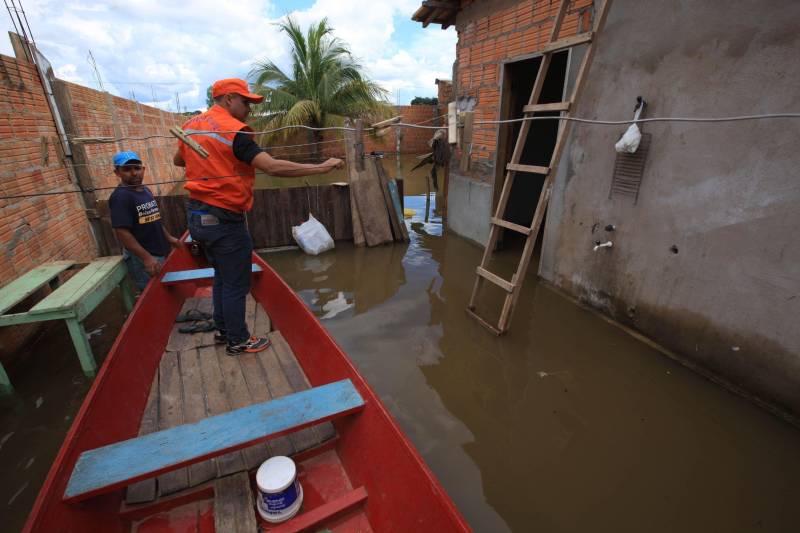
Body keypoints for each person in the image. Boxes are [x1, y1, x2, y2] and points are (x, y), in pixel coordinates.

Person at [173, 78, 343, 356]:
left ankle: (224, 331)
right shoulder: (234, 131)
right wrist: (321, 167)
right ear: (228, 99)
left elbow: (178, 161)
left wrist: (209, 160)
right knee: (237, 282)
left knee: (221, 277)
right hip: (224, 216)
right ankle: (238, 340)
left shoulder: (191, 126)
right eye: (245, 102)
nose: (250, 109)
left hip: (197, 214)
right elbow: (273, 167)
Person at [109, 151, 181, 291]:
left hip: (158, 252)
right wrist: (146, 257)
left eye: (137, 168)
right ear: (117, 172)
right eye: (127, 169)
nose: (134, 173)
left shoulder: (145, 190)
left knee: (165, 291)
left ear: (143, 169)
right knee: (152, 293)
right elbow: (122, 232)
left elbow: (154, 219)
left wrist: (169, 238)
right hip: (142, 257)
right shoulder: (121, 197)